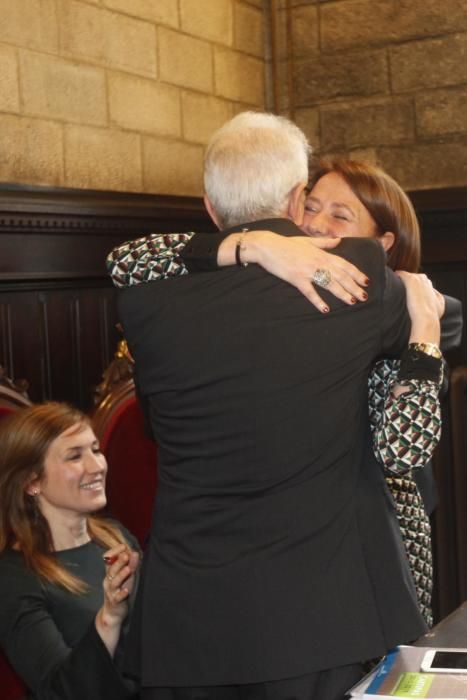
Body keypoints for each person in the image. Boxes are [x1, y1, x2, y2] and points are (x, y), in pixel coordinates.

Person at [112, 111, 453, 700]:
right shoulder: (357, 274)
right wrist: (423, 324)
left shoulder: (144, 294)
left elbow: (126, 257)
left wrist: (246, 245)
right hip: (326, 618)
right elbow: (445, 321)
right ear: (298, 200)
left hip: (190, 626)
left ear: (211, 207)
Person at [0, 402, 140, 700]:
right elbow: (60, 692)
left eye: (96, 450)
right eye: (75, 456)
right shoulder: (14, 576)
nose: (97, 466)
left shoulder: (116, 537)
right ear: (32, 482)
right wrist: (110, 617)